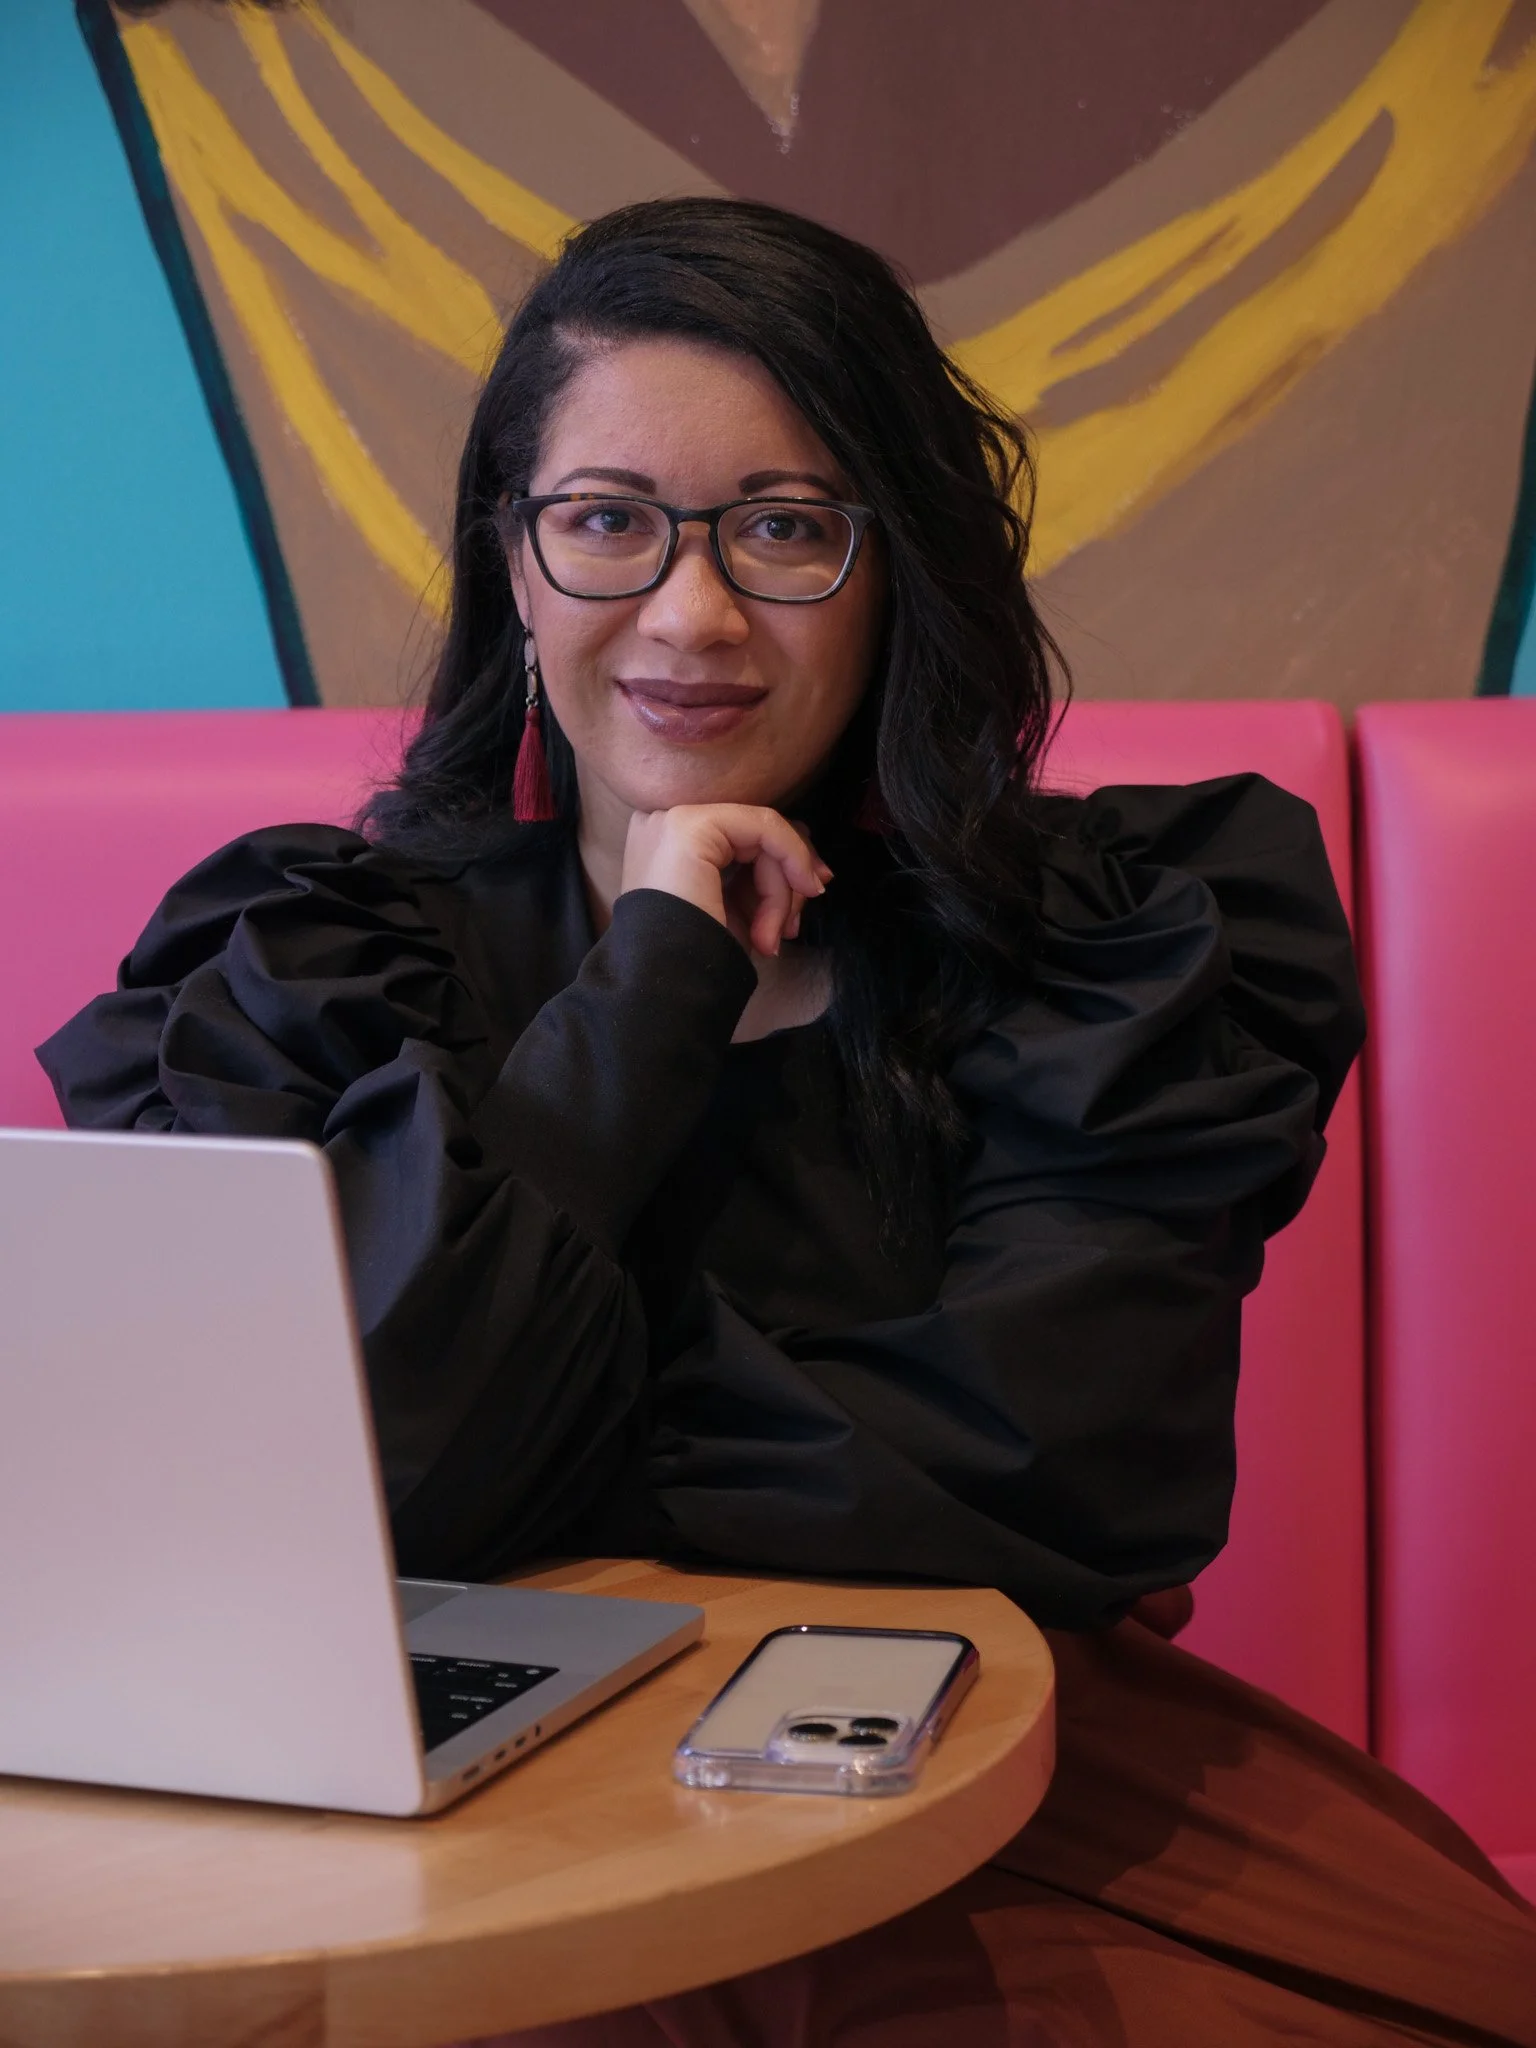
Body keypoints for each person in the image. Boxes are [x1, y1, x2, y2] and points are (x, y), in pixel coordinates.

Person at [39, 199, 1536, 2043]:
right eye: (607, 523)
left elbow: (1048, 1485)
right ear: (513, 563)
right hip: (457, 1830)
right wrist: (655, 979)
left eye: (785, 529)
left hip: (996, 1801)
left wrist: (497, 1439)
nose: (692, 613)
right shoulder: (306, 966)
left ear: (893, 563)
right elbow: (305, 1504)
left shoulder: (1105, 947)